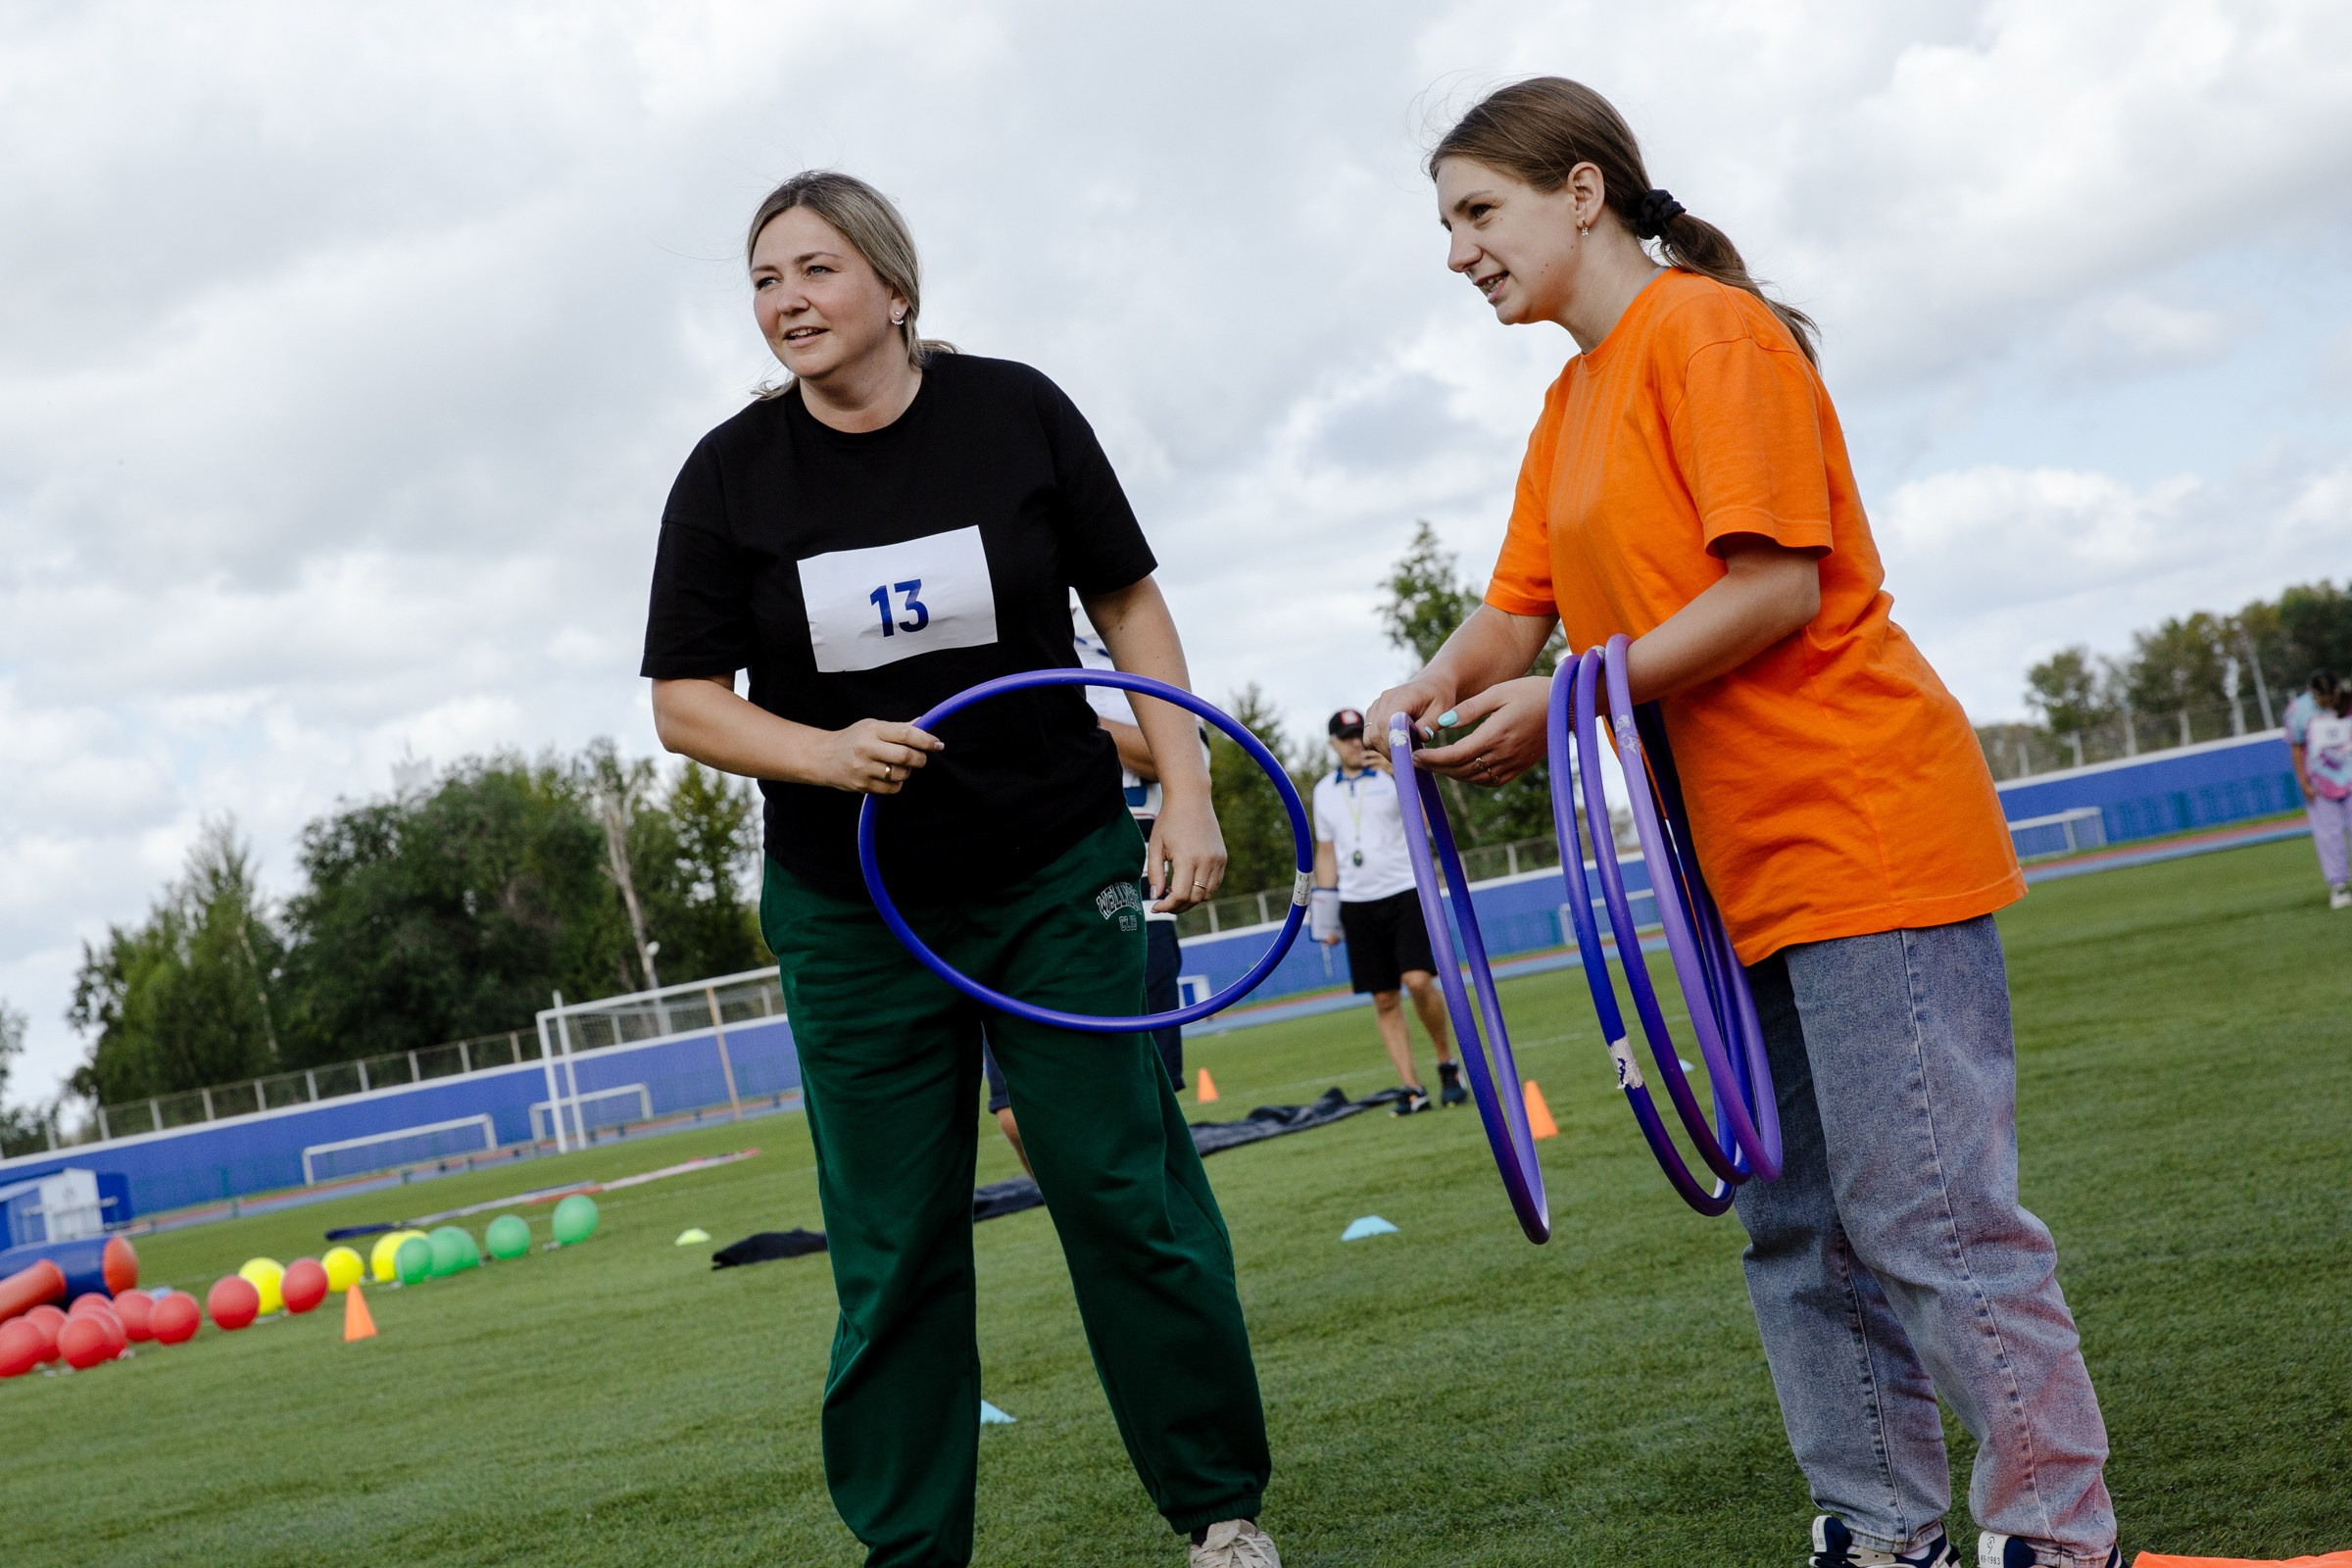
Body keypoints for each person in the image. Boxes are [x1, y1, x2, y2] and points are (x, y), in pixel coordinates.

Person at [1371, 79, 2120, 1568]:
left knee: (1930, 1220)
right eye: (1445, 224)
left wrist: (1565, 704)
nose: (1457, 252)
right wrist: (1422, 698)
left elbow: (1772, 589)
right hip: (1724, 868)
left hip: (1858, 832)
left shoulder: (1709, 331)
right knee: (1796, 1232)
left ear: (1583, 192)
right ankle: (1878, 1526)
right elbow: (1510, 616)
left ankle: (2055, 1531)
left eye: (1478, 213)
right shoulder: (1570, 398)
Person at [641, 170, 1279, 1568]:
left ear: (892, 283)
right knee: (893, 1246)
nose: (787, 302)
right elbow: (686, 701)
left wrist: (1184, 785)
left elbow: (1127, 605)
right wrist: (822, 754)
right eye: (762, 281)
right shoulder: (729, 474)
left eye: (813, 270)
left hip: (1055, 874)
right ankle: (911, 1549)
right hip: (852, 914)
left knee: (1121, 1190)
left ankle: (1221, 1512)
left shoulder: (1016, 413)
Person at [984, 604, 1203, 1173]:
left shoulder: (1127, 646)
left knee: (1140, 1100)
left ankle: (1144, 1229)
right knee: (1013, 1114)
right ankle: (1084, 1219)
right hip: (1019, 900)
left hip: (1131, 897)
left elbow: (1185, 758)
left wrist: (1069, 721)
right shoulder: (997, 644)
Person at [1310, 708, 1461, 1113]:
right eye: (1346, 737)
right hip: (1356, 904)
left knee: (1417, 980)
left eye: (1359, 734)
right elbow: (1326, 852)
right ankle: (1412, 1088)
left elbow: (1430, 822)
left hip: (1405, 891)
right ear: (1332, 744)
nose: (1356, 743)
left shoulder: (1395, 776)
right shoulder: (1324, 790)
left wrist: (1401, 775)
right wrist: (1325, 914)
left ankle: (1447, 1062)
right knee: (1383, 998)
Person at [2284, 671, 2349, 908]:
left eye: (2331, 696)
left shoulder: (2348, 703)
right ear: (2311, 693)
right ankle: (2338, 885)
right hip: (2321, 782)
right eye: (2322, 698)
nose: (2328, 702)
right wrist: (2303, 782)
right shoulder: (2298, 711)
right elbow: (2296, 747)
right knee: (2329, 835)